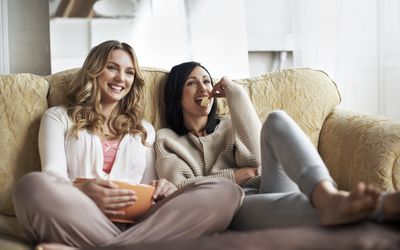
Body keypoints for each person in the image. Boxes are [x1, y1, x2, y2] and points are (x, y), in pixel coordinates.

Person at [12, 42, 243, 250]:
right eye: (112, 67)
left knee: (226, 191)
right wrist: (81, 190)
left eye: (129, 72)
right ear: (94, 70)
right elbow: (52, 175)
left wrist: (162, 188)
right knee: (31, 186)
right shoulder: (58, 117)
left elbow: (148, 188)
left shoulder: (144, 130)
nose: (121, 78)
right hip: (78, 215)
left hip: (135, 224)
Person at [154, 61, 400, 230]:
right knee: (301, 208)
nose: (204, 88)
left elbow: (258, 159)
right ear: (177, 94)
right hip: (234, 207)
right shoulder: (167, 139)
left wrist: (234, 92)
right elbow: (178, 188)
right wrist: (235, 176)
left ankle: (325, 193)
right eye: (192, 83)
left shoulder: (230, 124)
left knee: (277, 119)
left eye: (207, 81)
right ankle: (381, 205)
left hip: (272, 184)